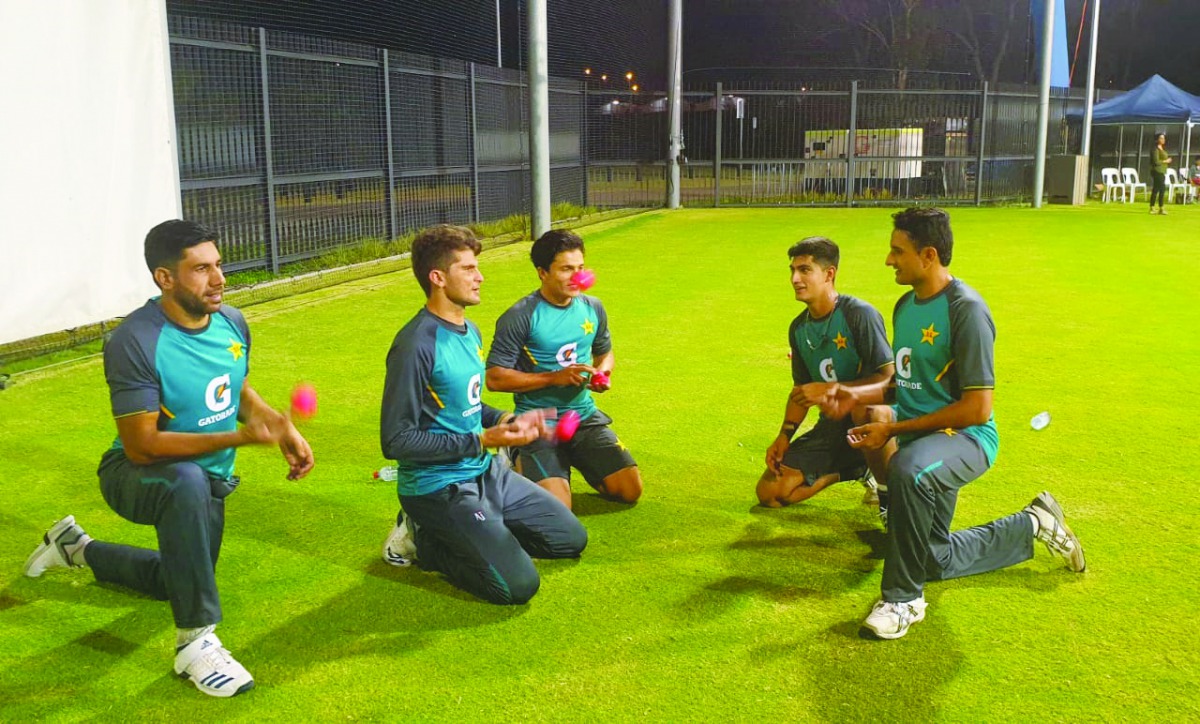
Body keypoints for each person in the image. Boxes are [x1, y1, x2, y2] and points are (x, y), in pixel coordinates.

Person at [23, 220, 315, 697]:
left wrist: (278, 424)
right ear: (165, 278)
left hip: (204, 480)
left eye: (218, 264)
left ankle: (75, 547)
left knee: (177, 579)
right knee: (186, 482)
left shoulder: (232, 323)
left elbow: (236, 385)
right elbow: (141, 445)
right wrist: (240, 437)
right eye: (201, 269)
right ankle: (194, 645)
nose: (219, 279)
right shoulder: (135, 341)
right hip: (135, 474)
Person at [823, 208, 1085, 640]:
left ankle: (903, 600)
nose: (889, 260)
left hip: (966, 439)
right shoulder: (905, 306)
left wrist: (893, 430)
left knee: (908, 471)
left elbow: (978, 409)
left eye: (897, 251)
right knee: (932, 558)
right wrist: (853, 395)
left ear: (928, 255)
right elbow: (908, 384)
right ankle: (1033, 523)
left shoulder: (967, 311)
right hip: (924, 442)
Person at [380, 225, 587, 604]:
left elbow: (468, 404)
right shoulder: (415, 345)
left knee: (569, 539)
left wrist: (506, 420)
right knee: (518, 586)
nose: (480, 277)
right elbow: (396, 440)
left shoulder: (469, 330)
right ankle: (420, 538)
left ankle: (480, 534)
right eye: (469, 268)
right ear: (438, 278)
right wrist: (483, 439)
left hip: (485, 473)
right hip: (438, 487)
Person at [484, 229, 641, 509]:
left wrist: (602, 373)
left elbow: (605, 353)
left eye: (580, 268)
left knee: (630, 490)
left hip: (582, 416)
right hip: (539, 422)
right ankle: (515, 453)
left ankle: (565, 459)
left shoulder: (593, 307)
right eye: (566, 269)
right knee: (558, 508)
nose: (577, 277)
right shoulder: (520, 316)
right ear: (542, 272)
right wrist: (554, 378)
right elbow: (495, 379)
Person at [757, 236, 894, 510]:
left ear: (829, 274)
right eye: (793, 271)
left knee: (864, 410)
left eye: (805, 270)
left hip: (876, 421)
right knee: (770, 492)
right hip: (834, 428)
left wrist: (834, 390)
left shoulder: (859, 315)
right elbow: (801, 391)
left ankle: (889, 497)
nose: (795, 279)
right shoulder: (799, 328)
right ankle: (856, 469)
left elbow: (890, 380)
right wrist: (784, 435)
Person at [1149, 133, 1172, 214]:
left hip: (1162, 171)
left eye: (1164, 138)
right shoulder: (1155, 149)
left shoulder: (1162, 148)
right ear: (1157, 139)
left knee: (1157, 189)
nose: (1163, 140)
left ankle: (1154, 207)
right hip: (1157, 171)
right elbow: (1156, 161)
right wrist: (1166, 161)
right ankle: (1159, 207)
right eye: (1161, 138)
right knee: (1161, 188)